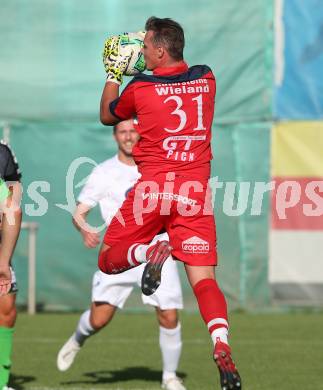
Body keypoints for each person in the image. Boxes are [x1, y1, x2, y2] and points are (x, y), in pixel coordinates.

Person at [99, 17, 242, 389]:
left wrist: (115, 70)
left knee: (109, 257)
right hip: (194, 195)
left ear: (160, 50)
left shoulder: (140, 87)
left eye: (146, 46)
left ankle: (149, 251)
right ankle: (221, 343)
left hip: (153, 192)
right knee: (204, 280)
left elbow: (107, 114)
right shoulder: (206, 77)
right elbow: (179, 78)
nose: (141, 51)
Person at [57, 119, 186, 390]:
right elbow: (80, 212)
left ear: (141, 133)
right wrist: (85, 230)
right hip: (120, 253)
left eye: (132, 131)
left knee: (169, 314)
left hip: (156, 251)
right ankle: (79, 337)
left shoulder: (156, 166)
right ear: (115, 136)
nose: (128, 136)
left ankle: (170, 377)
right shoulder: (104, 172)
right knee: (99, 319)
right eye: (123, 132)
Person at [0, 141, 22, 390]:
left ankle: (1, 382)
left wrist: (3, 261)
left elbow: (13, 201)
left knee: (6, 308)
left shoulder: (3, 151)